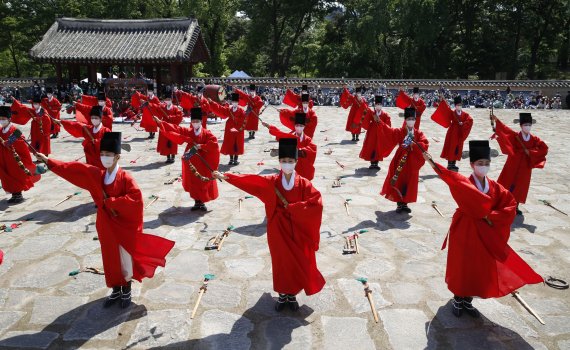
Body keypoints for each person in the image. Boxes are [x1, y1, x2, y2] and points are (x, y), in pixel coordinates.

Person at [35, 133, 175, 309]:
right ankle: (115, 288)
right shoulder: (97, 175)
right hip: (105, 224)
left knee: (124, 257)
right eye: (103, 154)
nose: (105, 158)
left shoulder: (126, 178)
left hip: (123, 226)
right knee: (109, 257)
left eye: (109, 155)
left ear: (117, 157)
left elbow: (136, 200)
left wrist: (110, 202)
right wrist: (49, 161)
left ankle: (126, 289)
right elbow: (75, 169)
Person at [423, 140, 543, 318]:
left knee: (479, 266)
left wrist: (490, 216)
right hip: (465, 230)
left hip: (486, 233)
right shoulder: (465, 183)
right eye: (480, 164)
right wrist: (431, 162)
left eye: (486, 164)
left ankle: (468, 300)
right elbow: (449, 177)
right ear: (472, 165)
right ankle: (458, 297)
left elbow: (509, 205)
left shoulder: (494, 187)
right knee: (462, 265)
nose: (483, 167)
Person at [213, 138, 325, 311]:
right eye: (284, 161)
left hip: (296, 229)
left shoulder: (304, 183)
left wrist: (295, 208)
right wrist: (227, 176)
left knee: (296, 262)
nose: (287, 164)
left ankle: (292, 294)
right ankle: (282, 295)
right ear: (279, 162)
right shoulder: (272, 181)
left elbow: (316, 203)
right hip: (277, 228)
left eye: (290, 161)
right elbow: (250, 182)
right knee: (280, 261)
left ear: (296, 162)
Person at [154, 108, 220, 211]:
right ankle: (196, 202)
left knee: (202, 181)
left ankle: (202, 202)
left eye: (197, 121)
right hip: (192, 161)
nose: (195, 123)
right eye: (193, 121)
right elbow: (176, 129)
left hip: (202, 162)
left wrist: (201, 146)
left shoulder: (207, 133)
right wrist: (161, 123)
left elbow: (214, 144)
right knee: (193, 182)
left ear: (201, 121)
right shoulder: (189, 132)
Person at [493, 113, 548, 215]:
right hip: (513, 162)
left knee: (521, 185)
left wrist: (531, 152)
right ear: (521, 126)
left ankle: (515, 205)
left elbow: (544, 148)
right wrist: (497, 121)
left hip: (525, 166)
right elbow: (505, 131)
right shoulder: (516, 136)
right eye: (525, 124)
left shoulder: (534, 139)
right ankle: (503, 203)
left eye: (529, 124)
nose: (527, 126)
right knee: (507, 181)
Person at [379, 107, 429, 213]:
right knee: (399, 180)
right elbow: (389, 132)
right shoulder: (400, 131)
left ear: (415, 120)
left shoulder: (419, 133)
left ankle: (405, 203)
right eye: (409, 119)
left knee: (409, 181)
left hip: (412, 161)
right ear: (405, 120)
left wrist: (414, 145)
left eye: (413, 119)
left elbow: (425, 144)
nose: (411, 121)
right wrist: (381, 123)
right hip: (400, 159)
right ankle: (399, 203)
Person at [0, 106, 41, 204]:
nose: (1, 121)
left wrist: (7, 143)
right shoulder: (1, 131)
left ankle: (18, 194)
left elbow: (20, 142)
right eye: (0, 119)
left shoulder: (14, 131)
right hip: (4, 157)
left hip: (14, 158)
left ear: (9, 119)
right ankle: (14, 194)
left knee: (16, 175)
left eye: (3, 119)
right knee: (7, 175)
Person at [261, 112, 317, 180]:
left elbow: (312, 148)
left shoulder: (307, 139)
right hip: (291, 164)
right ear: (294, 126)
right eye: (297, 125)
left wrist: (299, 151)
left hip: (302, 166)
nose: (299, 128)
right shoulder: (290, 136)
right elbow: (279, 133)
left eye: (301, 126)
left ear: (304, 126)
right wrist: (268, 126)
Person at [431, 95, 473, 171]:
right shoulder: (452, 113)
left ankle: (453, 163)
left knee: (457, 147)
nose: (459, 106)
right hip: (452, 132)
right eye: (457, 105)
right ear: (455, 105)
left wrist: (463, 124)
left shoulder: (465, 114)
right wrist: (442, 102)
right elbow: (445, 110)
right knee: (452, 147)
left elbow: (470, 120)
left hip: (460, 132)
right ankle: (450, 164)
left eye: (460, 105)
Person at [208, 93, 247, 165]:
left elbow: (244, 120)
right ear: (232, 102)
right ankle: (231, 159)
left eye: (236, 102)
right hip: (229, 128)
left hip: (238, 129)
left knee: (236, 144)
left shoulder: (241, 111)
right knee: (230, 143)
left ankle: (236, 159)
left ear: (238, 102)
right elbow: (220, 109)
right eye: (233, 102)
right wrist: (212, 103)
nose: (234, 103)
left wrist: (238, 126)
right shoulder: (229, 109)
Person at [359, 95, 392, 170]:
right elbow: (366, 119)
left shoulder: (385, 115)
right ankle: (372, 162)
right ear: (375, 105)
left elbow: (388, 124)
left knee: (379, 147)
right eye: (377, 104)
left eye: (380, 104)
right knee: (371, 146)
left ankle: (376, 163)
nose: (378, 106)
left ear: (382, 105)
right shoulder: (372, 113)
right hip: (372, 132)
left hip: (381, 133)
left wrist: (381, 123)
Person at [153, 92, 183, 164]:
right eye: (166, 99)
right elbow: (157, 111)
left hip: (173, 127)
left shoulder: (175, 108)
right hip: (165, 126)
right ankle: (168, 157)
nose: (167, 100)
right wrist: (156, 118)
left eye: (169, 99)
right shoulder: (163, 107)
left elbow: (180, 116)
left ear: (171, 100)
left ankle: (173, 156)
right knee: (165, 142)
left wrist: (171, 117)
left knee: (173, 142)